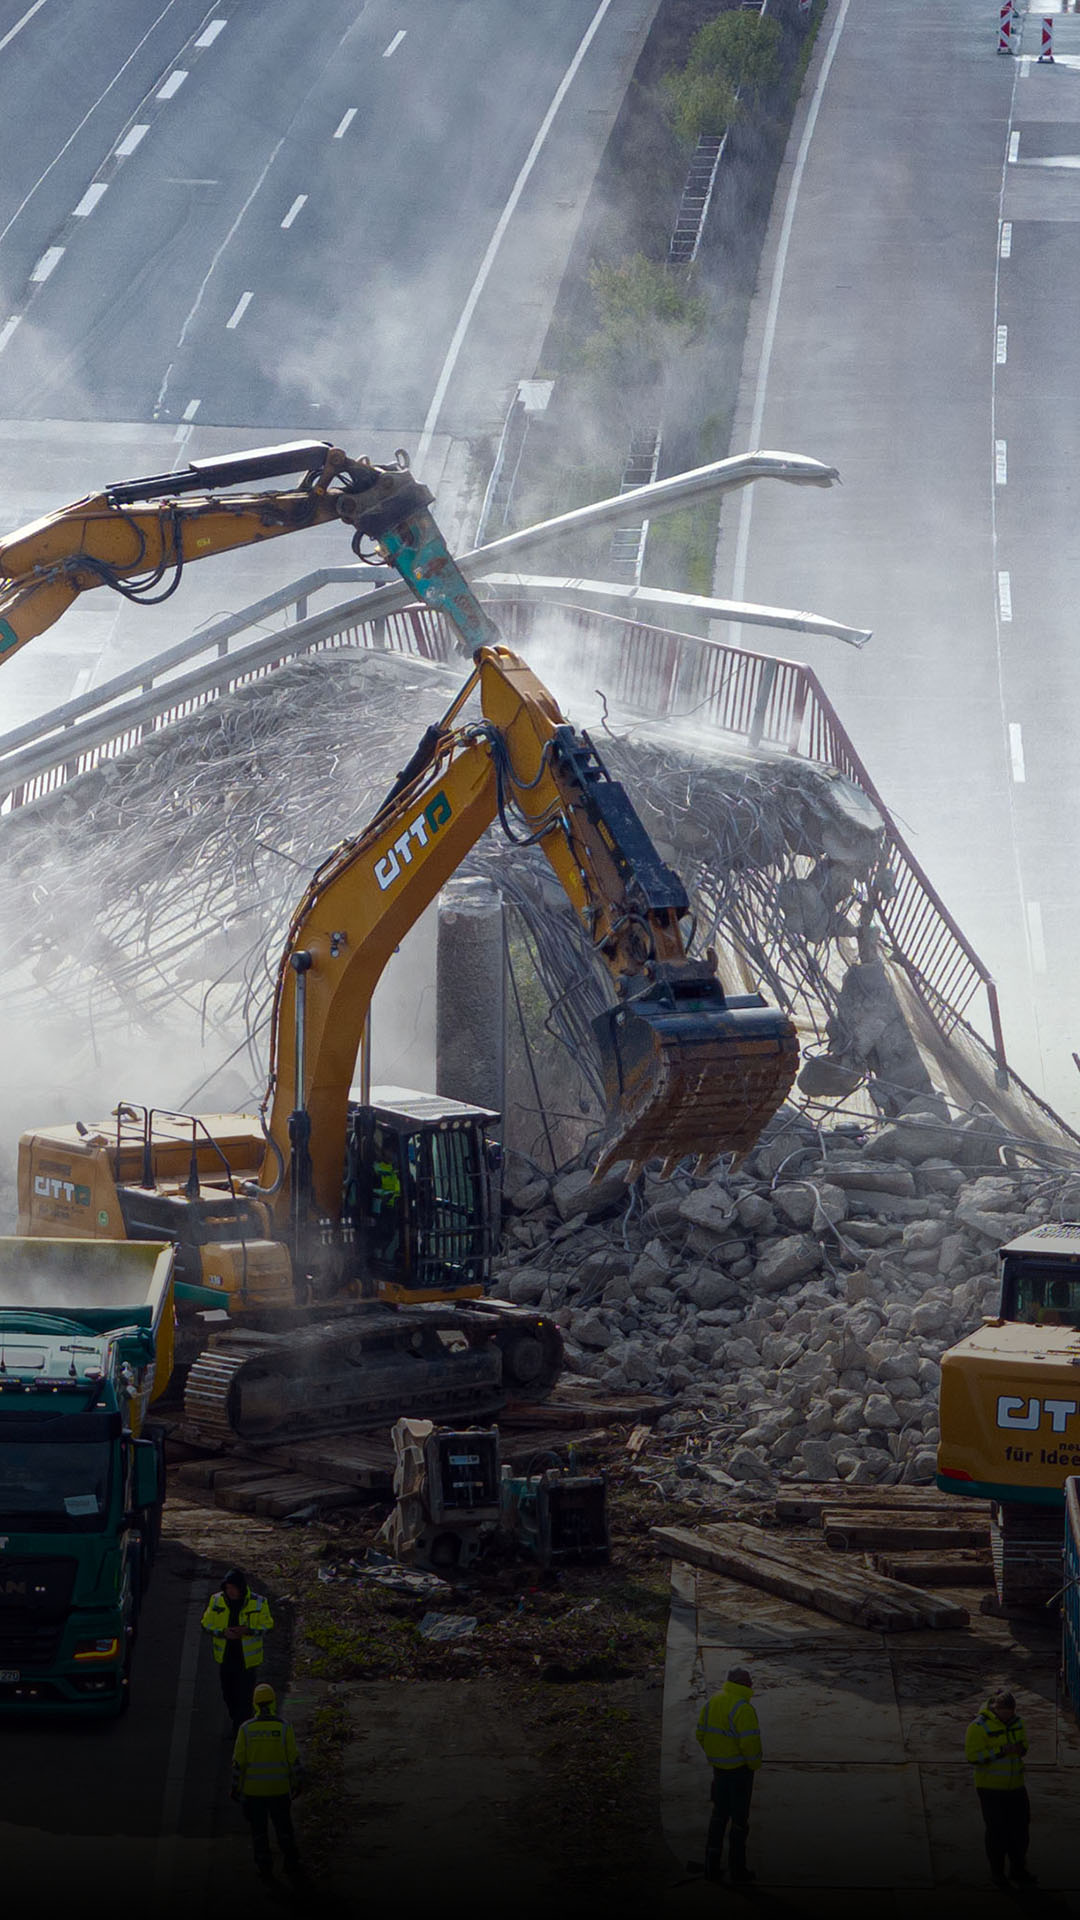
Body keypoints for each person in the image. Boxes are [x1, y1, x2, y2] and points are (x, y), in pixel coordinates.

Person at [695, 1664, 762, 1884]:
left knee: (718, 1816)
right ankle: (738, 1871)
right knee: (739, 1822)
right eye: (750, 1681)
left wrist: (715, 1756)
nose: (752, 1685)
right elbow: (750, 1744)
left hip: (719, 1771)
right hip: (740, 1773)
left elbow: (701, 1733)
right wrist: (753, 1765)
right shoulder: (743, 1708)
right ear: (744, 1684)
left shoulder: (714, 1701)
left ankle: (711, 1867)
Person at [232, 1681, 304, 1884]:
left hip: (254, 1793)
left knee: (259, 1832)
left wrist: (235, 1789)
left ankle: (264, 1867)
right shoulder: (283, 1728)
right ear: (273, 1703)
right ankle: (291, 1863)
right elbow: (294, 1761)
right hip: (279, 1791)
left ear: (254, 1704)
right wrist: (298, 1783)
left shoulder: (246, 1730)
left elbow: (239, 1764)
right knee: (284, 1830)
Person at [965, 1688, 1036, 1888]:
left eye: (1011, 1714)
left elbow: (1024, 1745)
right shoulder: (978, 1727)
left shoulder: (1017, 1722)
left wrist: (1020, 1749)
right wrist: (1000, 1751)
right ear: (996, 1710)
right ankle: (997, 1873)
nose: (1008, 1717)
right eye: (1005, 1714)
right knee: (997, 1832)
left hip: (1016, 1787)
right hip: (990, 1789)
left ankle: (1018, 1869)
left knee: (1021, 1831)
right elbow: (973, 1757)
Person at [201, 1565, 275, 1733]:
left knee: (244, 1697)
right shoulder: (216, 1601)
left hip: (247, 1661)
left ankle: (240, 1729)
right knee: (228, 1694)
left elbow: (268, 1626)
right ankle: (238, 1722)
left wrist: (247, 1630)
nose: (230, 1592)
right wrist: (222, 1633)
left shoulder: (259, 1602)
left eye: (233, 1588)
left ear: (241, 1587)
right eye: (227, 1588)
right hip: (226, 1658)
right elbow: (206, 1624)